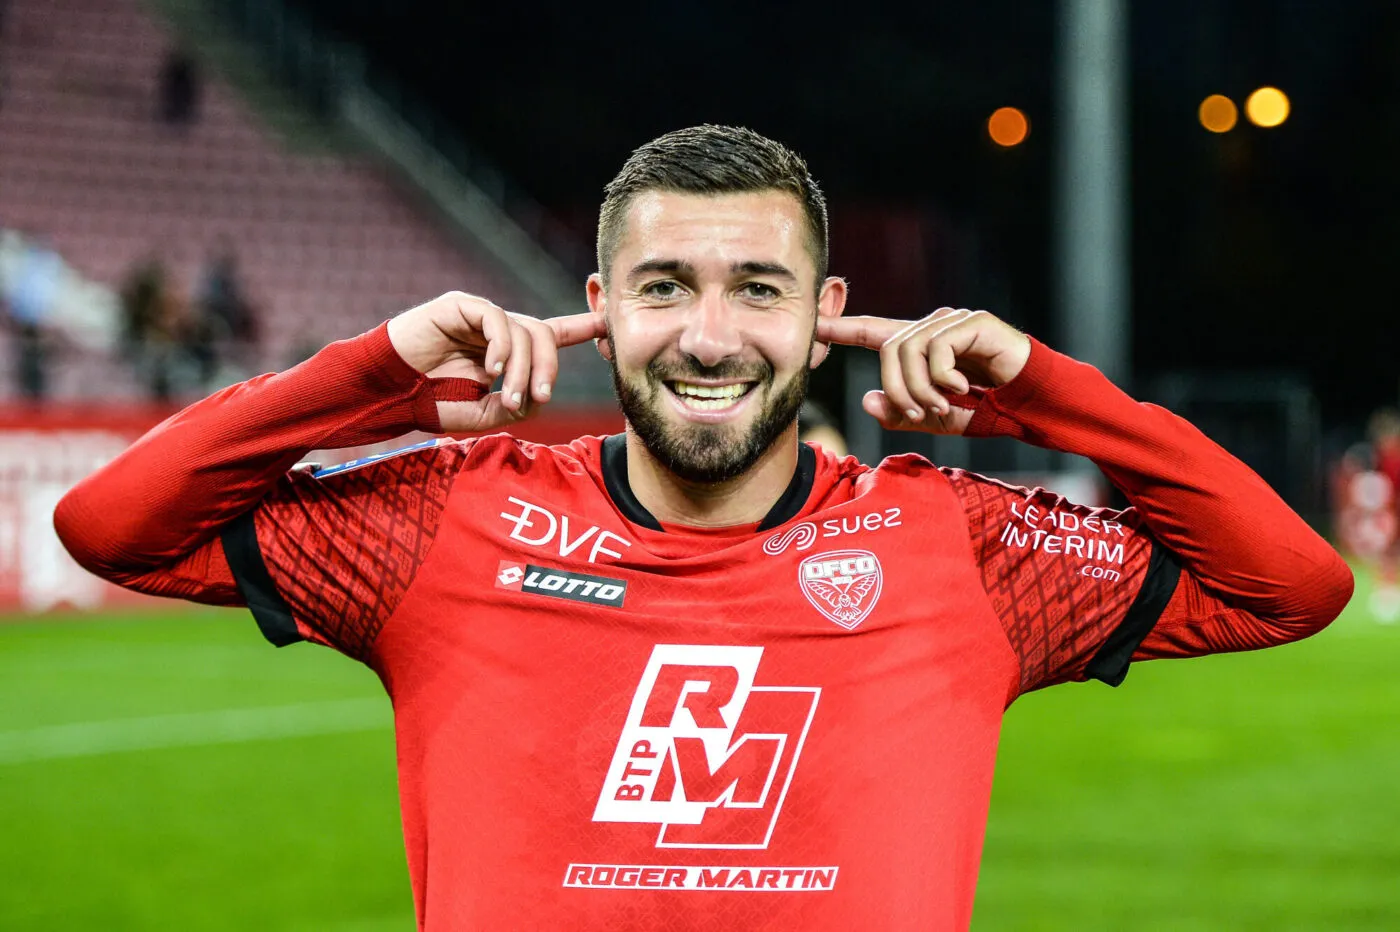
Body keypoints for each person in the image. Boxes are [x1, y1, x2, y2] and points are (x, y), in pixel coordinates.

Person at [54, 126, 1352, 931]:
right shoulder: (446, 519)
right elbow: (116, 527)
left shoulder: (958, 545)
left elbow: (1289, 585)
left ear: (828, 310)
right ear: (601, 303)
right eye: (665, 286)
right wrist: (373, 372)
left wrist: (1049, 397)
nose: (712, 336)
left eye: (759, 289)